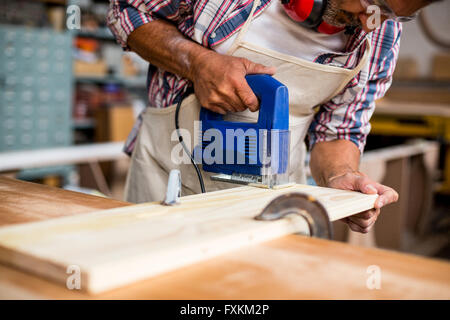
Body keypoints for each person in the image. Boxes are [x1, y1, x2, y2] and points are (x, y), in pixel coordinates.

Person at [107, 0, 440, 233]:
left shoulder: (380, 35)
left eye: (393, 15)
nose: (373, 21)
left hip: (271, 199)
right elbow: (127, 11)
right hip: (167, 182)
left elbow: (338, 131)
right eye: (375, 3)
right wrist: (194, 63)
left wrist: (341, 175)